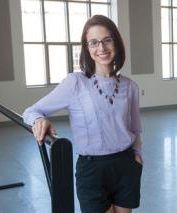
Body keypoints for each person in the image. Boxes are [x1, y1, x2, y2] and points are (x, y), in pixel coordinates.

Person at [23, 15, 143, 213]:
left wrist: (137, 156)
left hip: (126, 165)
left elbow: (135, 128)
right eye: (94, 42)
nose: (101, 48)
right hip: (92, 169)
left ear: (116, 42)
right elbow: (31, 111)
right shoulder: (75, 83)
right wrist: (39, 119)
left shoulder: (130, 86)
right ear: (87, 48)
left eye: (107, 40)